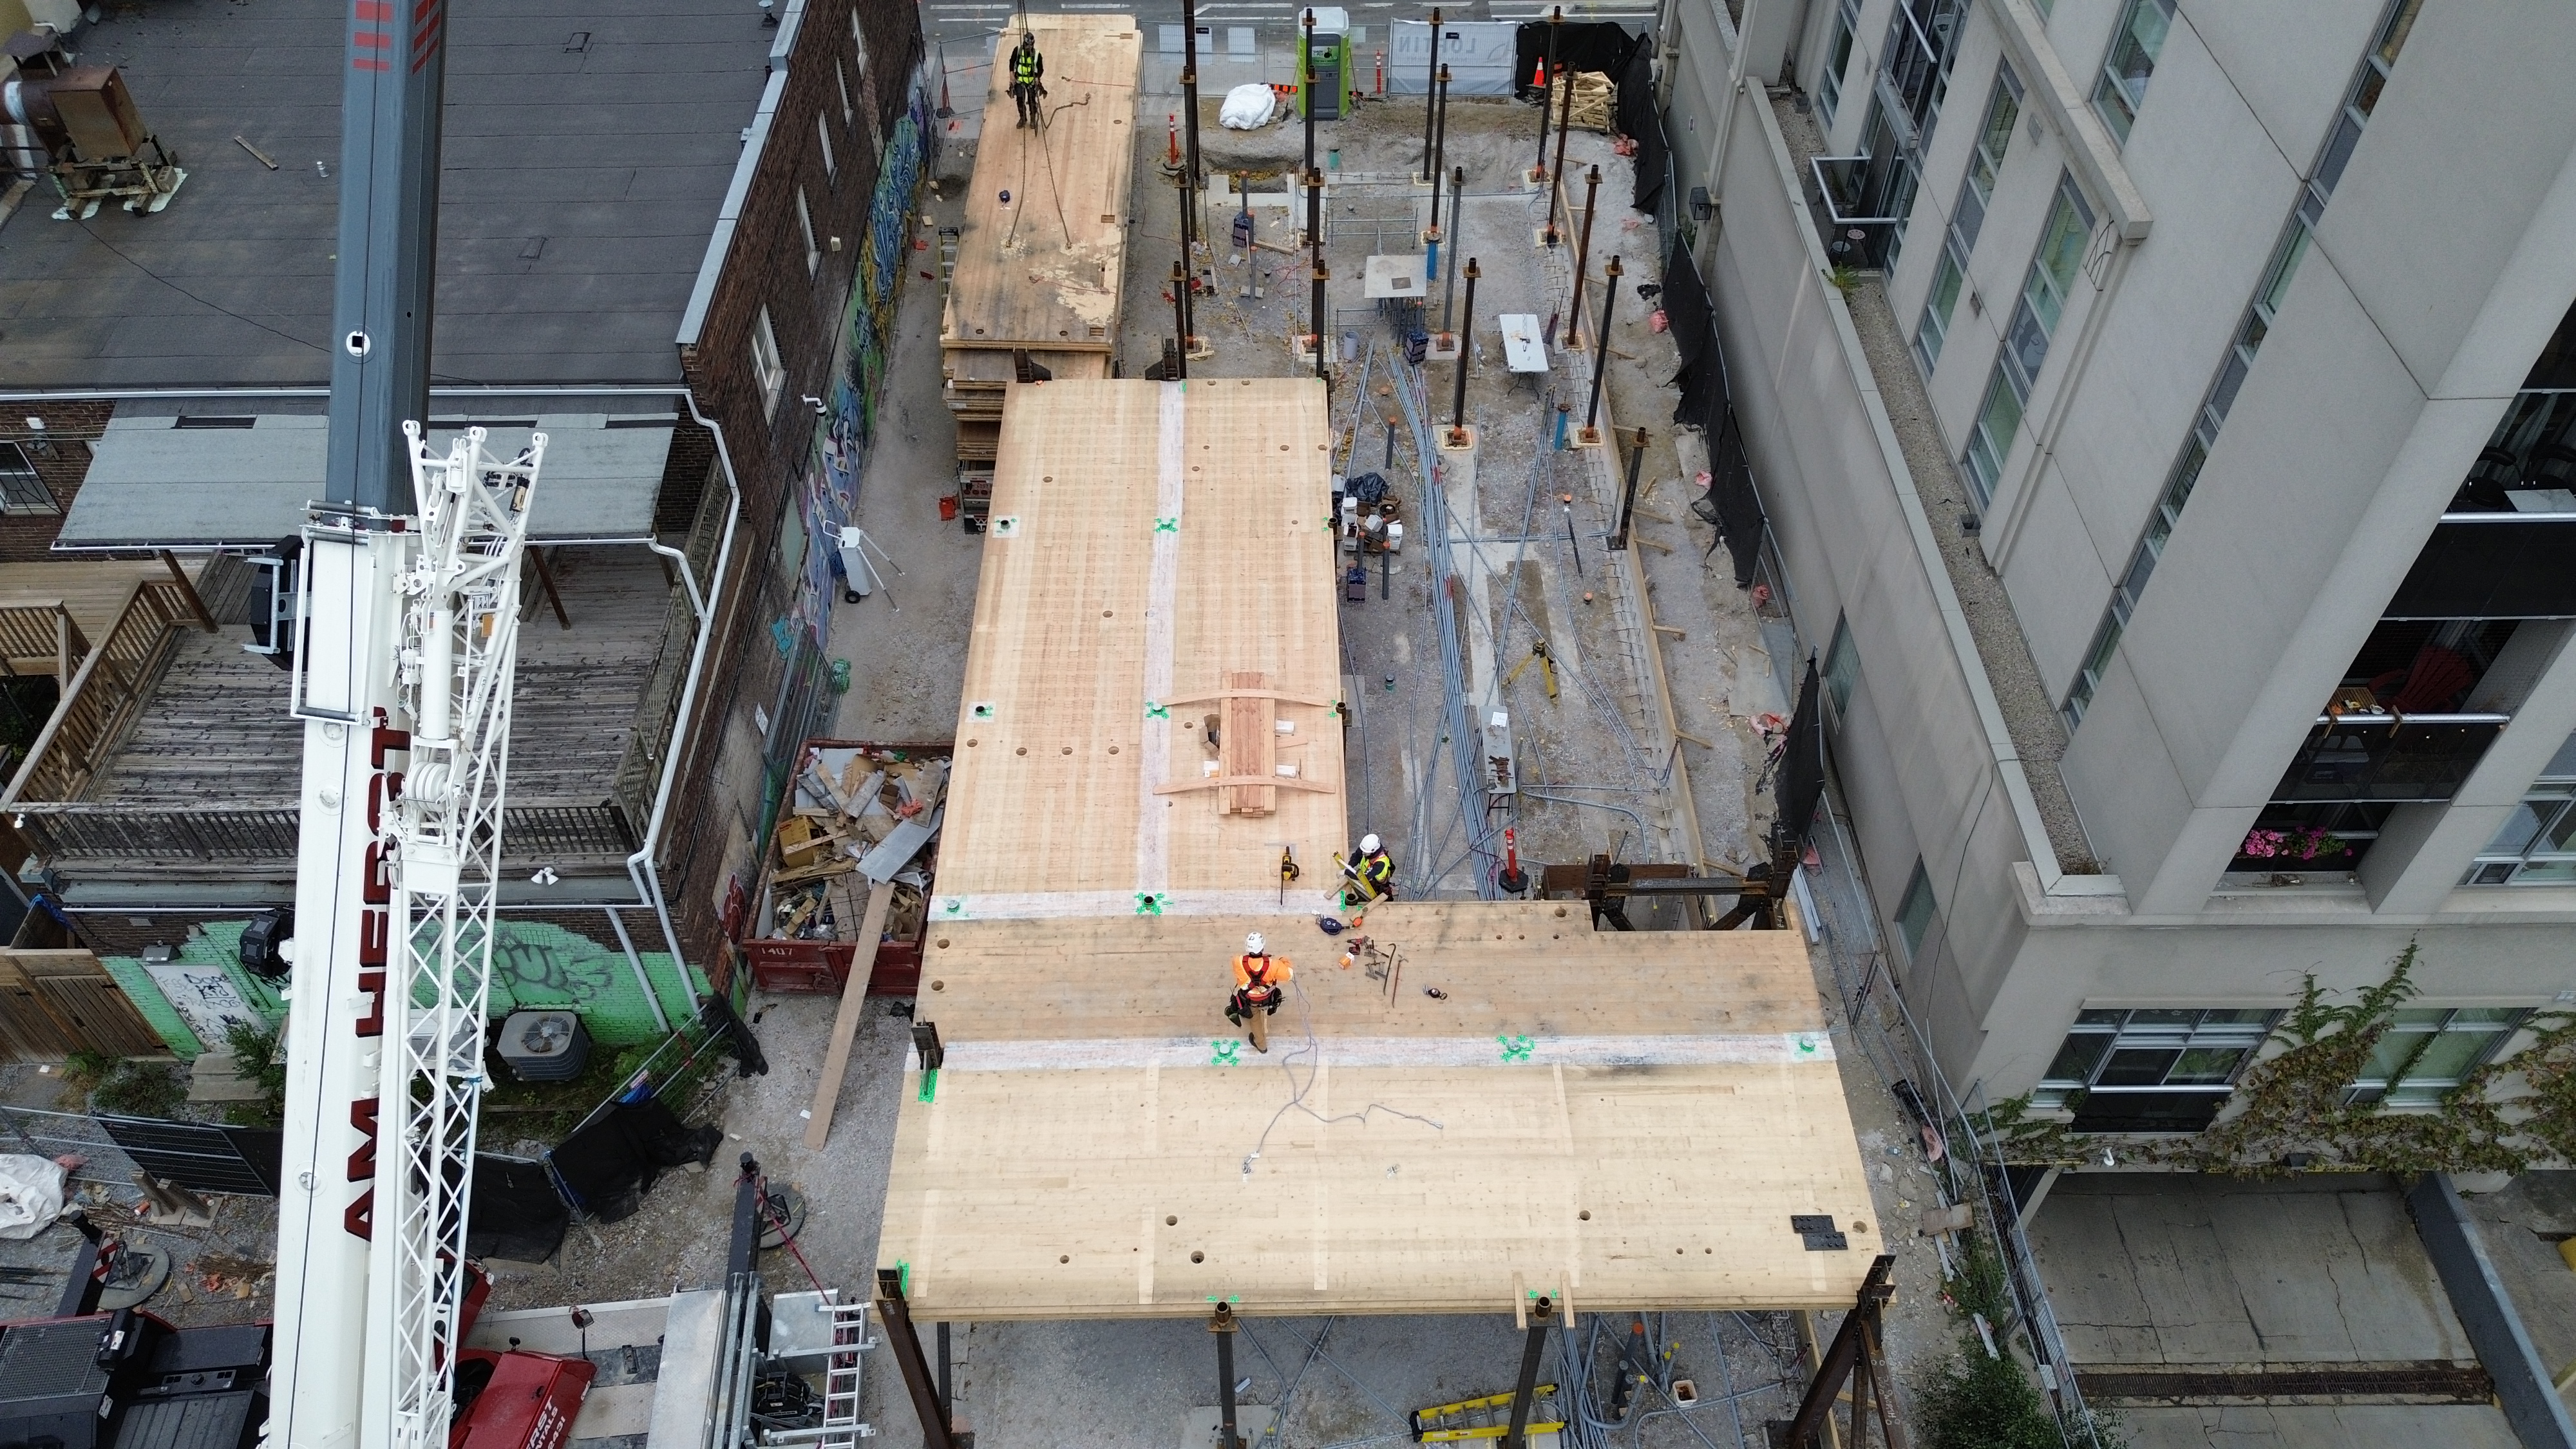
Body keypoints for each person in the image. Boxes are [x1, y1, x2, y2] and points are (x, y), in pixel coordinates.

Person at [1226, 932, 1293, 1052]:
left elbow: (1245, 973)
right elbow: (1289, 976)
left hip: (1249, 999)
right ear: (1262, 947)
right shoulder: (1274, 964)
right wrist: (1283, 962)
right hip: (1267, 996)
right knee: (1274, 993)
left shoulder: (1237, 961)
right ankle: (1271, 1009)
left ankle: (1261, 1045)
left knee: (1255, 1020)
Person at [1009, 31, 1046, 129]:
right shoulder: (1017, 51)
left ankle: (1033, 119)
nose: (1027, 48)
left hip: (1031, 81)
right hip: (1019, 80)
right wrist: (1011, 74)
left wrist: (1038, 77)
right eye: (1026, 45)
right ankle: (1023, 118)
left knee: (1031, 100)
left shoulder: (1037, 55)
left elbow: (1041, 69)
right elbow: (1012, 62)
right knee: (1020, 100)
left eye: (1029, 46)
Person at [1355, 833, 1395, 901]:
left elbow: (1365, 877)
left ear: (1373, 851)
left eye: (1365, 852)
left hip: (1379, 886)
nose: (1363, 853)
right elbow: (1355, 856)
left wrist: (1346, 872)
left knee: (1385, 900)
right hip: (1372, 879)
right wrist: (1349, 866)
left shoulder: (1381, 863)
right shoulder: (1369, 853)